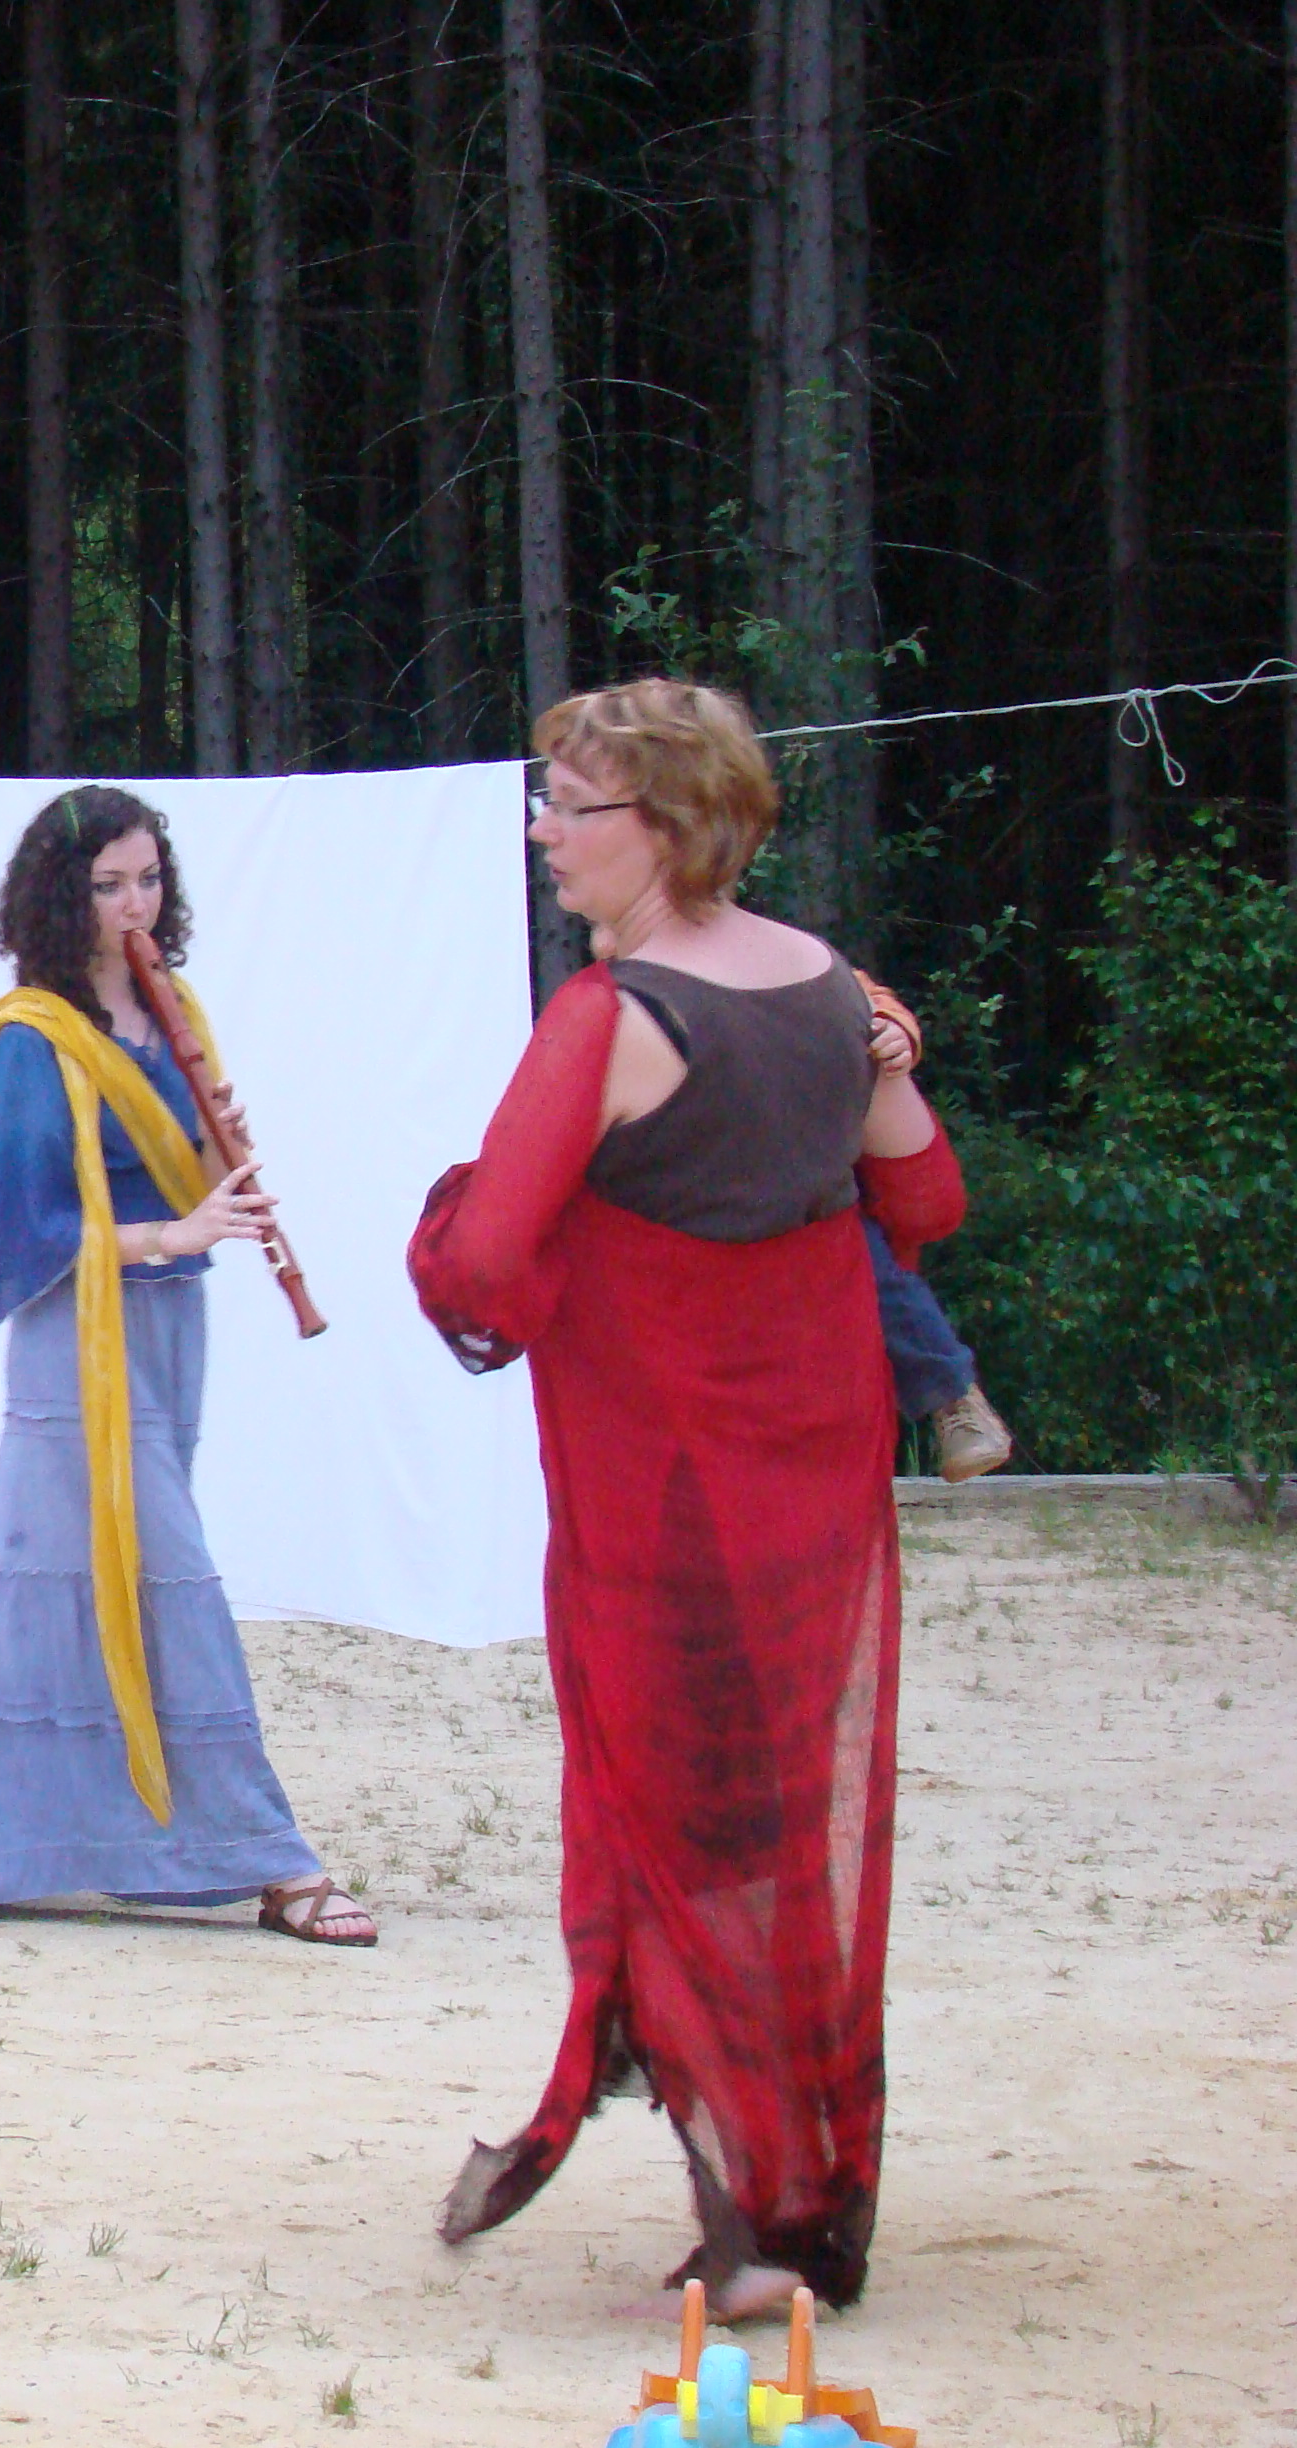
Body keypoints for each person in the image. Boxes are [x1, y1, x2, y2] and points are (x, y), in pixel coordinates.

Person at [408, 679, 965, 2317]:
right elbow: (925, 1192)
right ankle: (779, 2175)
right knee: (778, 1818)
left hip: (664, 1485)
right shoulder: (825, 985)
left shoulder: (608, 1018)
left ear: (656, 827)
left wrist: (443, 1213)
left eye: (565, 805)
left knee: (670, 1815)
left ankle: (755, 2210)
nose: (540, 831)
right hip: (815, 1470)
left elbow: (484, 1266)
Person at [0, 787, 374, 1945]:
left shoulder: (177, 1010)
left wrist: (211, 1154)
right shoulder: (33, 1035)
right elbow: (21, 1229)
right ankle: (271, 1860)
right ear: (59, 897)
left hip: (171, 1327)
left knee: (29, 1573)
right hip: (76, 1335)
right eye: (108, 885)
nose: (136, 905)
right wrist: (173, 1232)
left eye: (149, 879)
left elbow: (195, 1179)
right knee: (167, 1577)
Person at [855, 975, 1013, 1480]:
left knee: (864, 1259)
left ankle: (953, 1398)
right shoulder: (643, 971)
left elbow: (869, 999)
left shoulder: (791, 958)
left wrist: (893, 1030)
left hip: (814, 1177)